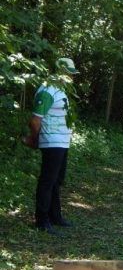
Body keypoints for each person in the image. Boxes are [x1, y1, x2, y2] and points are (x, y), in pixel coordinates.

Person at [22, 58, 78, 235]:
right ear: (60, 72)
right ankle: (42, 220)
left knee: (56, 180)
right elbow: (35, 120)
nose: (71, 77)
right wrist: (35, 139)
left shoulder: (61, 89)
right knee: (47, 181)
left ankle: (55, 216)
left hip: (61, 142)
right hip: (51, 141)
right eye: (69, 73)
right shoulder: (47, 89)